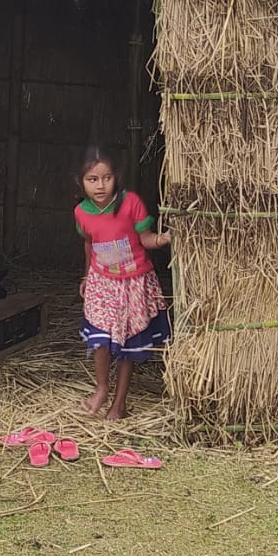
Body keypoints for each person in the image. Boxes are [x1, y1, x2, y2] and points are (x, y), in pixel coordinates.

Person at [74, 145, 171, 420]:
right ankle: (102, 388)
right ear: (81, 182)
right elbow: (89, 244)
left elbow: (146, 240)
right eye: (92, 179)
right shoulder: (81, 212)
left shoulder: (131, 204)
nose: (100, 185)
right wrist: (85, 275)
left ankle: (119, 404)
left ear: (116, 177)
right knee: (101, 339)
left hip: (133, 284)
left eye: (106, 178)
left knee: (128, 344)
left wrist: (163, 239)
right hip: (102, 283)